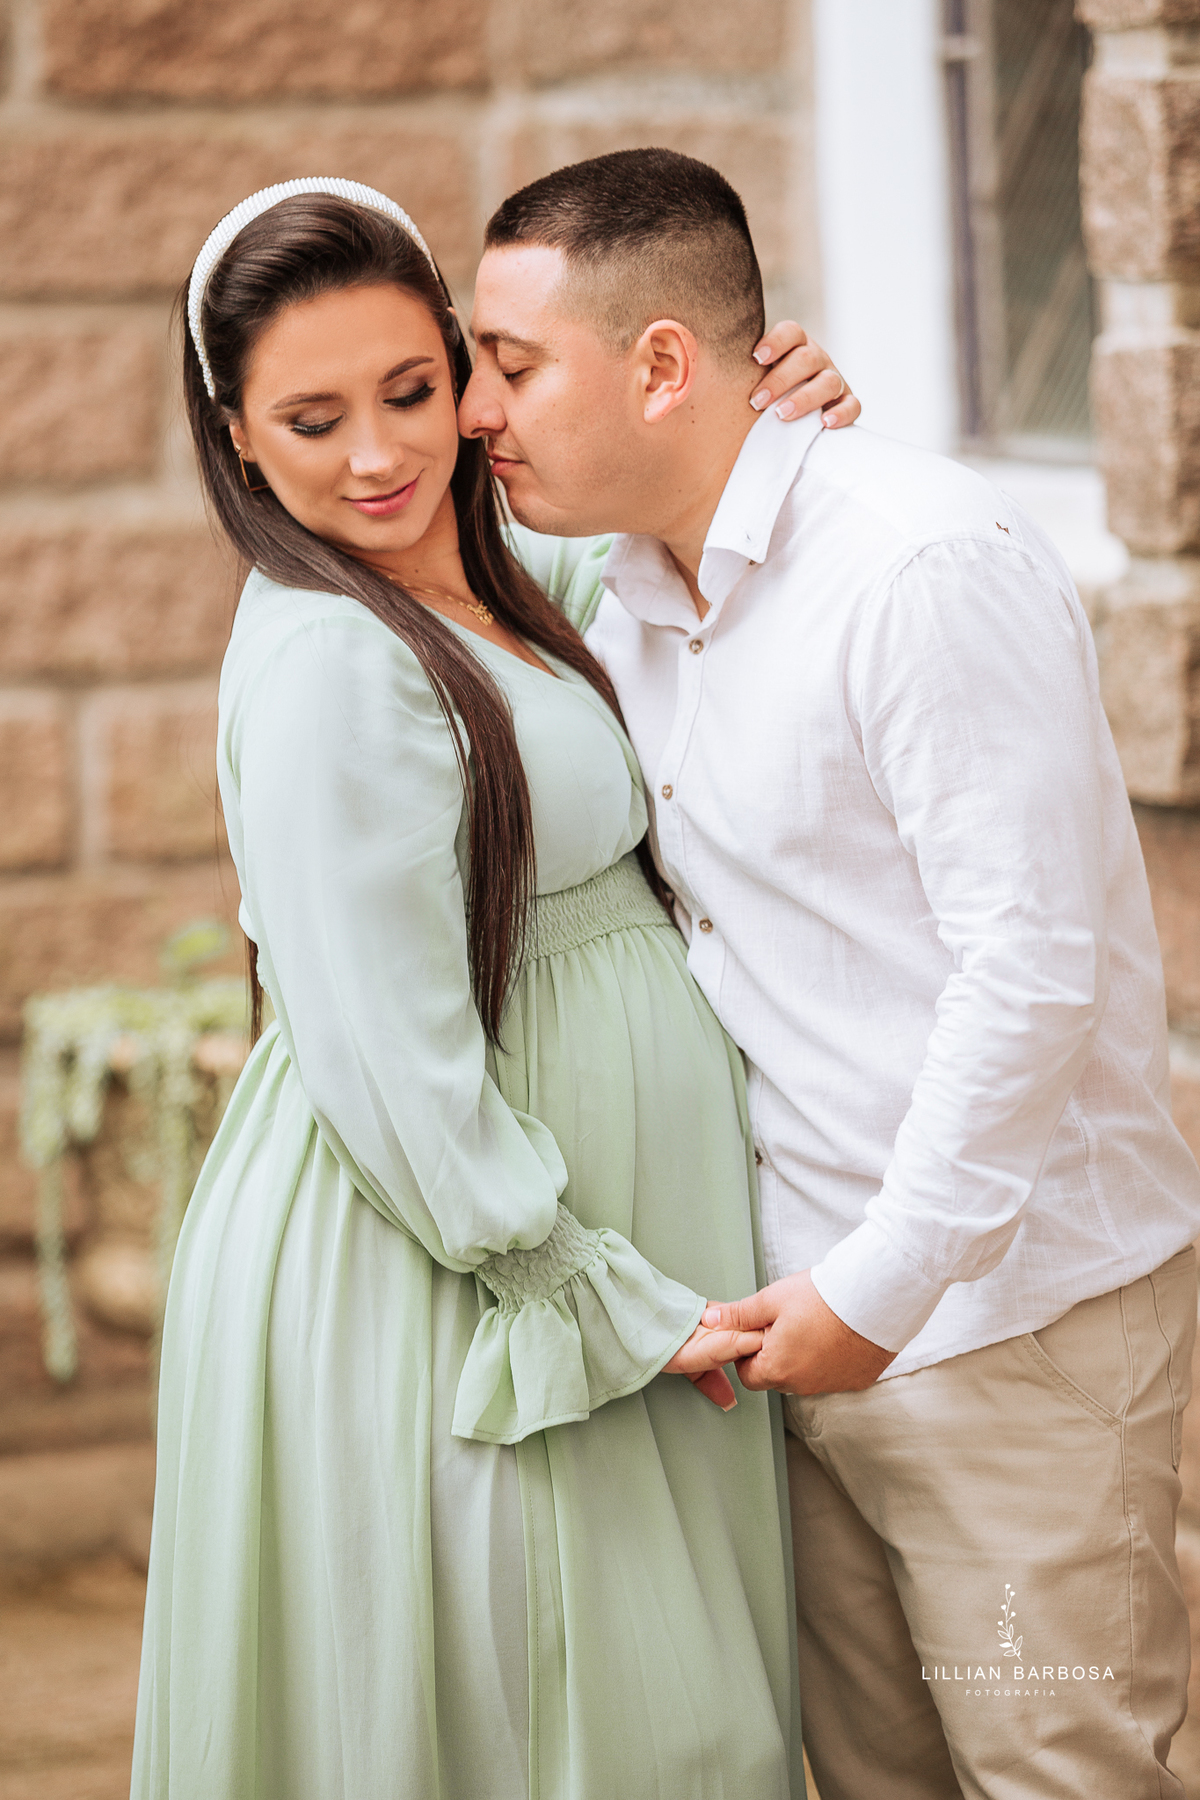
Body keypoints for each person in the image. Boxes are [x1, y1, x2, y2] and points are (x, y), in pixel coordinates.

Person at [458, 147, 1200, 1800]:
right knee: (876, 1783)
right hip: (793, 1321)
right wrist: (825, 1307)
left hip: (1008, 1327)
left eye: (509, 366)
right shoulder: (620, 585)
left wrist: (886, 1288)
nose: (469, 412)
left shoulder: (918, 565)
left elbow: (1032, 965)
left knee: (1064, 1769)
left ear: (661, 364)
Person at [132, 176, 854, 1800]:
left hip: (588, 1222)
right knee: (556, 1708)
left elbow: (658, 599)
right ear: (235, 437)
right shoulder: (332, 657)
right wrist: (571, 1281)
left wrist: (749, 412)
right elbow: (388, 1044)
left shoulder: (499, 571)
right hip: (471, 1256)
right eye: (311, 420)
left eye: (412, 392)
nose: (378, 456)